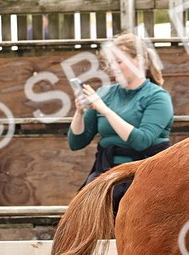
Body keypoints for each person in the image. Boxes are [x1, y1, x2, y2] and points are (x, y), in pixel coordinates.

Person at [69, 31, 174, 217]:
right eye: (111, 63)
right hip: (106, 173)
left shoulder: (158, 96)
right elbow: (76, 142)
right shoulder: (105, 93)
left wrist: (106, 110)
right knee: (81, 211)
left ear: (139, 60)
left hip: (144, 174)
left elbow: (142, 141)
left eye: (119, 61)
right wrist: (79, 112)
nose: (113, 68)